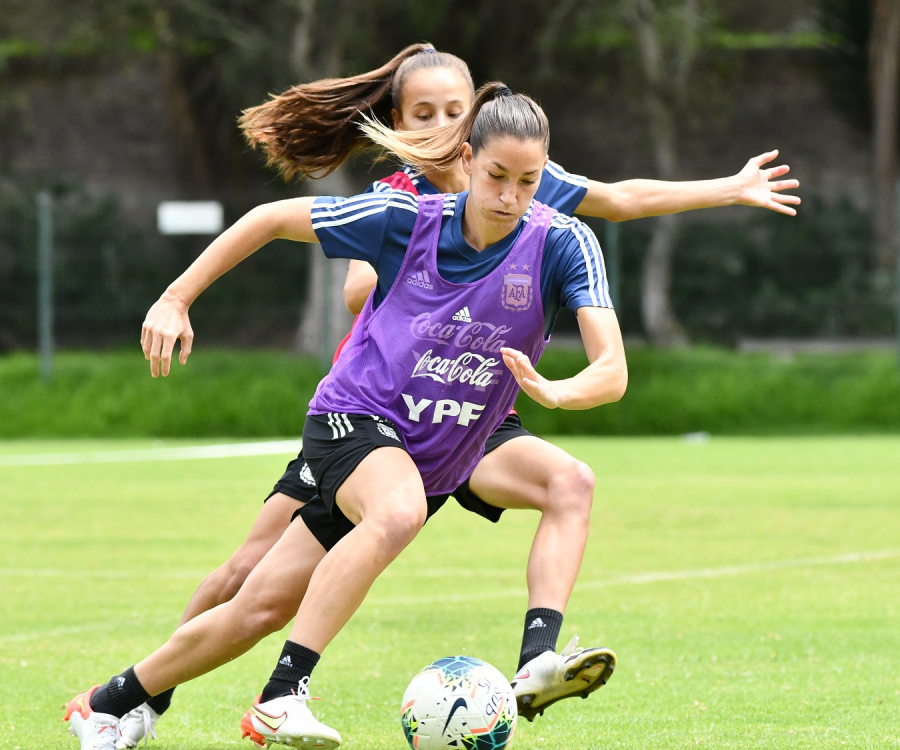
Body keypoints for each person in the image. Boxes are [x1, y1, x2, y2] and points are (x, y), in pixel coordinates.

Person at [109, 43, 801, 749]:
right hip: (374, 409)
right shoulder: (398, 205)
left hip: (470, 417)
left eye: (453, 109)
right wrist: (410, 251)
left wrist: (726, 187)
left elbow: (619, 202)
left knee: (569, 481)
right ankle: (153, 698)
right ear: (406, 125)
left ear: (473, 121)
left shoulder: (527, 188)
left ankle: (536, 661)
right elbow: (352, 290)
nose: (440, 124)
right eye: (423, 113)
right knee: (251, 583)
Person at [64, 82, 628, 750]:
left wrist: (559, 393)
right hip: (355, 416)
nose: (510, 197)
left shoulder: (563, 243)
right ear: (468, 160)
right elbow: (269, 218)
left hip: (437, 455)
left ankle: (107, 702)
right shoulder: (406, 217)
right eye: (497, 176)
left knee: (259, 608)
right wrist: (175, 297)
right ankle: (282, 695)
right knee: (397, 511)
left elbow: (611, 370)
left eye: (529, 182)